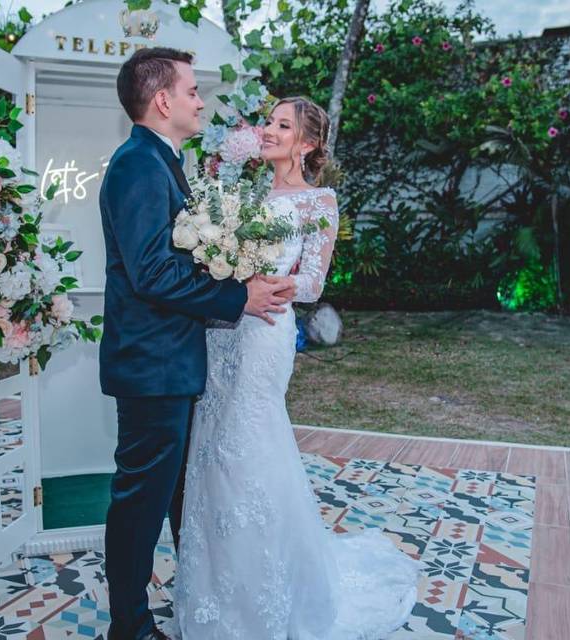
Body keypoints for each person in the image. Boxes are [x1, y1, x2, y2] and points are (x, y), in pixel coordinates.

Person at [168, 97, 422, 639]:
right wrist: (230, 276)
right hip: (222, 336)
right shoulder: (241, 193)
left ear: (306, 144)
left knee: (249, 447)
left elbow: (313, 282)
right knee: (211, 449)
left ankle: (267, 597)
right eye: (268, 122)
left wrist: (258, 279)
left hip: (265, 334)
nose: (268, 131)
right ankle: (216, 591)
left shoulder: (317, 202)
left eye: (282, 126)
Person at [97, 47, 298, 640]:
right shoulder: (137, 165)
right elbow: (152, 274)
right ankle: (128, 628)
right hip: (152, 366)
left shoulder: (163, 161)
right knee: (140, 502)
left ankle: (195, 603)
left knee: (175, 496)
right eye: (191, 90)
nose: (200, 101)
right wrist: (241, 300)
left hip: (171, 361)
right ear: (162, 100)